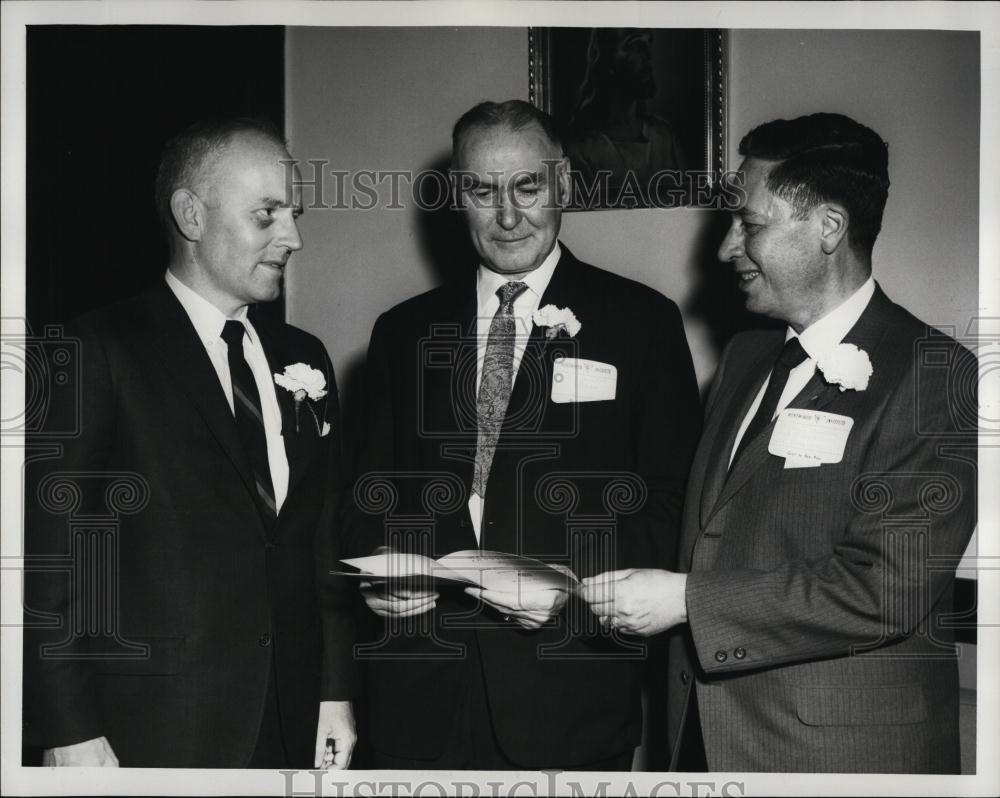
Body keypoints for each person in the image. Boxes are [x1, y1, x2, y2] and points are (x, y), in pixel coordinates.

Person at [581, 112, 978, 773]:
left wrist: (683, 601)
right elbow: (707, 531)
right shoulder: (744, 359)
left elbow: (883, 589)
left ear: (827, 228)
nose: (725, 249)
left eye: (750, 224)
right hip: (704, 743)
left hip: (837, 761)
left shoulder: (936, 375)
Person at [343, 99, 701, 770]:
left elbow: (672, 502)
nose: (507, 216)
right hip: (417, 693)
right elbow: (366, 492)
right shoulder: (402, 332)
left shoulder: (642, 323)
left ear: (562, 182)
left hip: (568, 690)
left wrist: (571, 595)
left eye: (528, 187)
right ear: (458, 196)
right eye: (482, 190)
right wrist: (384, 576)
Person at [23, 118, 357, 768]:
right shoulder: (97, 351)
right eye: (267, 215)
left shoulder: (304, 356)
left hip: (289, 721)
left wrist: (334, 693)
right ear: (192, 215)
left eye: (294, 214)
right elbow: (49, 558)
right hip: (150, 732)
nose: (294, 238)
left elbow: (320, 544)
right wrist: (67, 729)